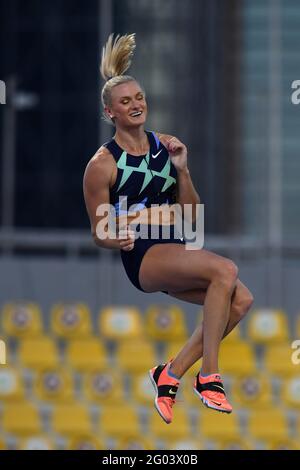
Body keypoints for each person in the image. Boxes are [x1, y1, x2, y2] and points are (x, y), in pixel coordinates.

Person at [83, 33, 254, 424]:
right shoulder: (101, 165)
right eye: (125, 102)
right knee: (225, 270)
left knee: (240, 301)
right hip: (144, 257)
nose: (136, 105)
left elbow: (191, 216)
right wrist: (119, 234)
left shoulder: (167, 147)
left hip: (176, 244)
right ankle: (209, 377)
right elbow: (99, 231)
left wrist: (182, 169)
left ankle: (170, 373)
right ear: (111, 113)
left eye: (139, 97)